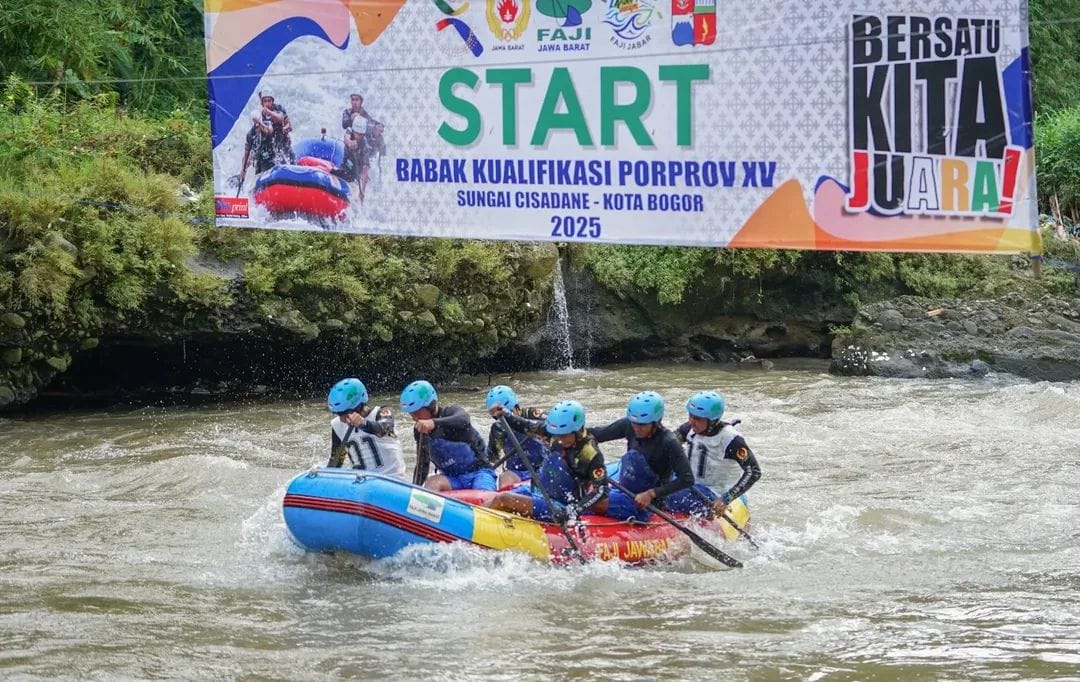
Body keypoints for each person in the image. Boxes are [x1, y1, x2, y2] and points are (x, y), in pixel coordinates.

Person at [488, 400, 611, 523]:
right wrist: (505, 413)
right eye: (556, 435)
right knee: (491, 499)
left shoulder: (590, 454)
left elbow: (601, 491)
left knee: (502, 499)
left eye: (563, 436)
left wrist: (573, 510)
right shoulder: (553, 432)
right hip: (537, 492)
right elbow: (525, 425)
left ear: (577, 431)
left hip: (558, 506)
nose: (559, 440)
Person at [588, 391, 695, 516]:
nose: (637, 428)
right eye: (634, 423)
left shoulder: (669, 442)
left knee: (596, 504)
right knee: (585, 497)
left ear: (655, 422)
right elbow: (597, 434)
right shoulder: (629, 425)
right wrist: (574, 434)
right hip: (626, 488)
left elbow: (687, 479)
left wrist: (651, 494)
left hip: (649, 502)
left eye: (642, 425)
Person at [665, 390, 762, 517]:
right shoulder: (689, 428)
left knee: (670, 494)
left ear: (712, 420)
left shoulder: (731, 440)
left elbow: (753, 472)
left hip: (711, 493)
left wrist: (726, 498)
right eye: (690, 416)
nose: (691, 421)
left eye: (697, 418)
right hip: (689, 485)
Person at [400, 380, 495, 491]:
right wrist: (414, 489)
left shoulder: (451, 412)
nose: (414, 418)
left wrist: (434, 423)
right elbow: (422, 465)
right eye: (411, 414)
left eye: (417, 412)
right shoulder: (420, 430)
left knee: (483, 492)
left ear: (430, 406)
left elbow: (464, 419)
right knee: (432, 482)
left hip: (479, 473)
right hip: (452, 479)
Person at [325, 378, 406, 478]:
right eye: (338, 414)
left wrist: (363, 423)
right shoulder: (337, 425)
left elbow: (383, 429)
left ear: (358, 406)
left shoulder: (381, 413)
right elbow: (336, 461)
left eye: (344, 413)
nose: (341, 419)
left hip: (391, 478)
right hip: (361, 481)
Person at [483, 385, 548, 489]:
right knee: (504, 477)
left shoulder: (533, 414)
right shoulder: (498, 428)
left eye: (510, 412)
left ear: (517, 407)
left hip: (542, 468)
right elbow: (492, 458)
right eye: (498, 417)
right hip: (516, 472)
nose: (504, 419)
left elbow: (553, 428)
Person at [339, 93, 385, 200]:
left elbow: (375, 126)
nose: (354, 102)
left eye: (357, 100)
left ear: (361, 101)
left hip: (359, 159)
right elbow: (345, 127)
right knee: (347, 165)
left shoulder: (365, 144)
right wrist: (350, 142)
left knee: (362, 168)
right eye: (353, 100)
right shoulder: (348, 114)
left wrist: (362, 191)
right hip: (348, 159)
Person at [248, 87, 294, 174]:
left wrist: (283, 129)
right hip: (271, 147)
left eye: (269, 101)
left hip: (283, 142)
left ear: (272, 101)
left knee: (291, 161)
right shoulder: (261, 116)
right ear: (262, 103)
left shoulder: (279, 109)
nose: (267, 103)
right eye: (265, 101)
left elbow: (287, 124)